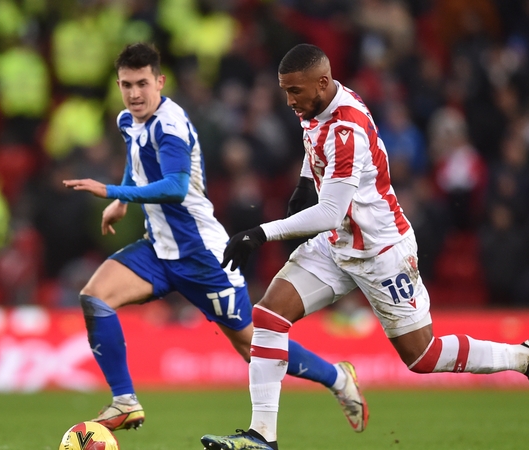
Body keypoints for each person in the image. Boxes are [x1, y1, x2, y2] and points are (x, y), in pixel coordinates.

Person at [201, 44, 529, 450]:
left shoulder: (347, 130)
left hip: (381, 252)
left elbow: (328, 212)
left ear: (322, 83)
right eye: (285, 91)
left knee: (422, 357)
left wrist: (260, 233)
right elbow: (314, 150)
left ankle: (527, 358)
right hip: (339, 244)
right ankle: (261, 437)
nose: (289, 101)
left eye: (294, 92)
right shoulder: (319, 105)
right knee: (268, 317)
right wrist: (305, 183)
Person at [62, 43, 367, 433]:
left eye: (141, 83)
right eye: (126, 85)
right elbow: (137, 159)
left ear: (160, 81)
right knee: (95, 296)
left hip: (201, 255)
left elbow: (174, 187)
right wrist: (123, 197)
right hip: (159, 248)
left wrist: (113, 193)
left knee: (252, 347)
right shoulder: (128, 120)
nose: (134, 94)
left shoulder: (170, 127)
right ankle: (125, 401)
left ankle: (337, 378)